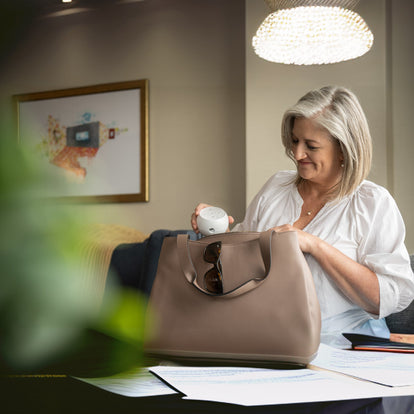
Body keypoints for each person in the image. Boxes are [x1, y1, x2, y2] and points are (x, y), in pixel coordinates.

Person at [191, 85, 414, 347]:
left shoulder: (372, 203)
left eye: (311, 145)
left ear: (343, 149)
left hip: (343, 346)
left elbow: (389, 296)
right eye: (295, 141)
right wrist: (215, 233)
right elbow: (236, 266)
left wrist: (314, 245)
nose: (297, 154)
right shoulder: (276, 186)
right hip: (267, 341)